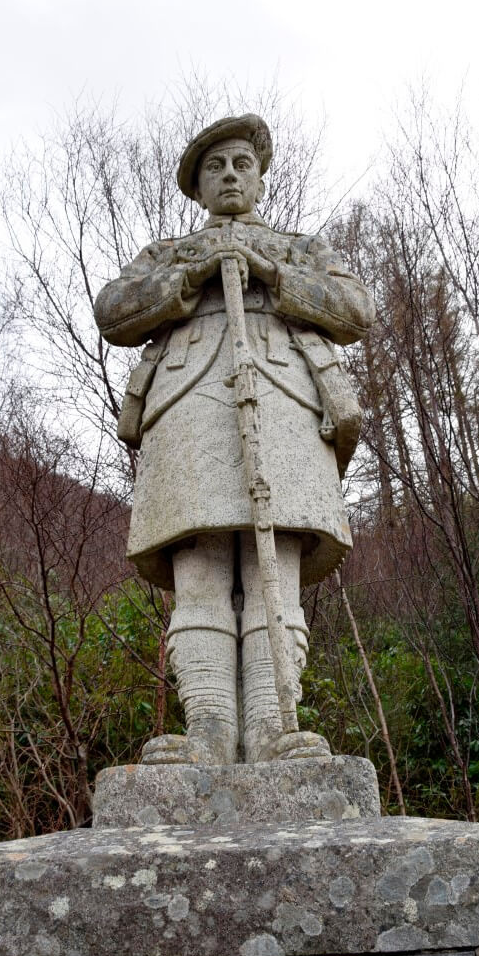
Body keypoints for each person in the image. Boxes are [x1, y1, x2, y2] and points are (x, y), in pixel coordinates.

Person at [94, 114, 375, 766]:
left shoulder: (299, 247)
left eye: (241, 164)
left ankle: (274, 725)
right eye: (215, 167)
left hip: (285, 400)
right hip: (186, 400)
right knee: (200, 565)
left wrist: (271, 275)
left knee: (273, 563)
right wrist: (189, 280)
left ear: (259, 176)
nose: (229, 175)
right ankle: (210, 729)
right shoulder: (170, 252)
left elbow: (355, 310)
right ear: (196, 185)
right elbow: (114, 310)